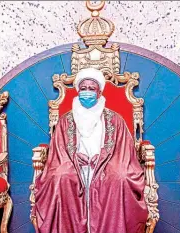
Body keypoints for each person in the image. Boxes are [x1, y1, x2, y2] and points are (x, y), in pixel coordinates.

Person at [33, 68, 148, 233]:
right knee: (61, 176)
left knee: (119, 178)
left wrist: (102, 159)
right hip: (73, 165)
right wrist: (73, 158)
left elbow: (124, 152)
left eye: (91, 89)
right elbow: (58, 151)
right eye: (83, 88)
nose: (87, 92)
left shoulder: (115, 120)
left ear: (99, 92)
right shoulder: (65, 120)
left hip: (107, 163)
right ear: (78, 91)